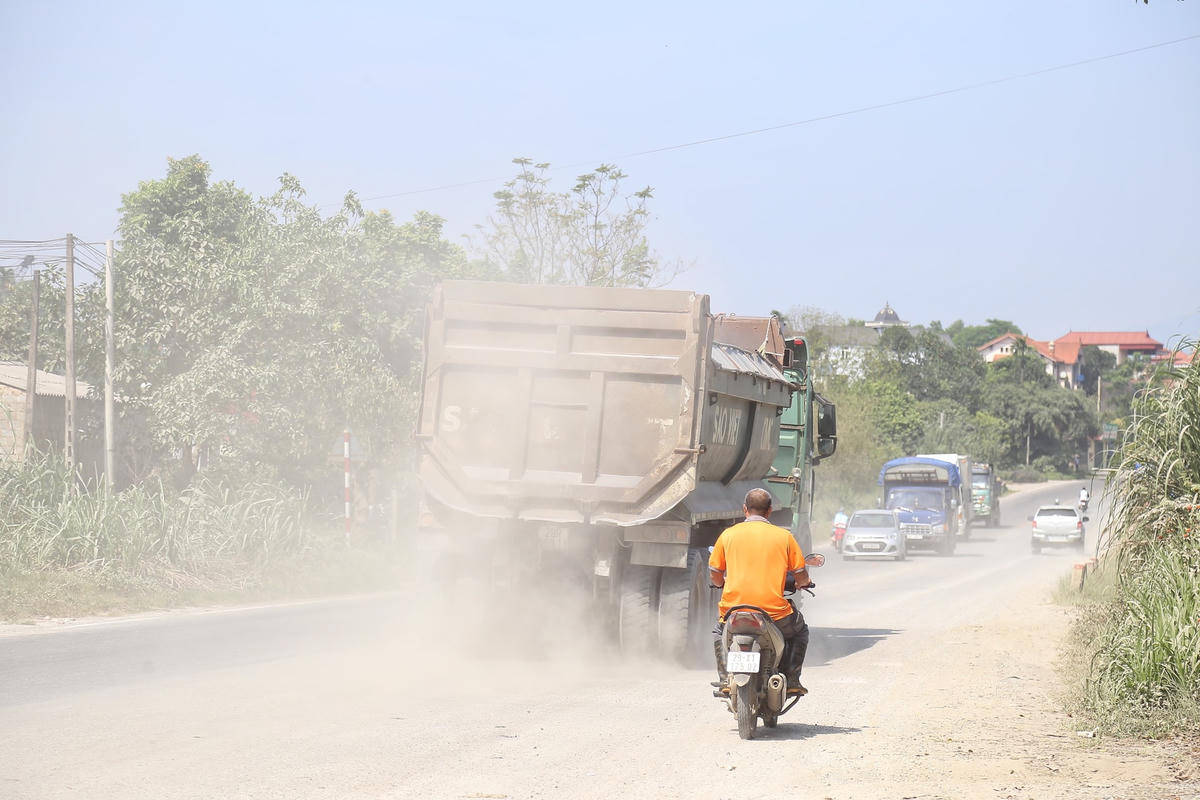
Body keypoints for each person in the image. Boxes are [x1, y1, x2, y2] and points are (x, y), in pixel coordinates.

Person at [709, 488, 811, 695]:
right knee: (800, 632)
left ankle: (724, 679)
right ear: (770, 511)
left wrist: (720, 583)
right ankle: (792, 679)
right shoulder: (784, 537)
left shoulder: (728, 535)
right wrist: (804, 583)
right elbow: (800, 573)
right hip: (774, 614)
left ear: (745, 509)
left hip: (733, 611)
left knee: (718, 633)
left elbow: (715, 571)